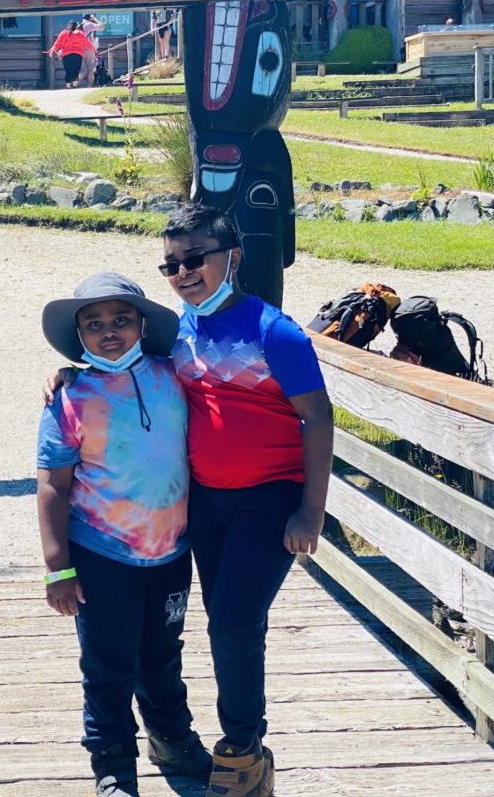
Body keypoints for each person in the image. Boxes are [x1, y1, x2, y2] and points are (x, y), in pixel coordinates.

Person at [160, 204, 332, 797]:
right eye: (171, 265)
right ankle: (230, 740)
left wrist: (312, 509)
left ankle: (243, 750)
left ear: (231, 257)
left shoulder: (273, 331)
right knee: (221, 618)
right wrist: (69, 376)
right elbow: (122, 362)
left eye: (195, 258)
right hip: (207, 499)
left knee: (234, 618)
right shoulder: (176, 329)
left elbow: (318, 417)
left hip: (271, 495)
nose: (184, 272)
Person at [37, 272, 211, 797]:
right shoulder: (69, 398)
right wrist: (58, 567)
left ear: (142, 324)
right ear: (79, 337)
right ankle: (112, 759)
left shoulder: (175, 374)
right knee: (108, 662)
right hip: (101, 554)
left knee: (162, 652)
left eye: (120, 320)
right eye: (94, 325)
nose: (108, 332)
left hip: (170, 550)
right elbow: (51, 488)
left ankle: (172, 737)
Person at [49, 21, 96, 89]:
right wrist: (93, 50)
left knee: (68, 71)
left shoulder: (63, 33)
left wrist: (52, 50)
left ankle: (67, 85)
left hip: (66, 54)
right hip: (77, 54)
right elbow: (86, 43)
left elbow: (57, 42)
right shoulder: (79, 33)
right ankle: (74, 85)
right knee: (76, 70)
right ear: (76, 27)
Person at [80, 13, 105, 86]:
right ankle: (89, 86)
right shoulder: (89, 24)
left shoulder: (80, 25)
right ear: (90, 18)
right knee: (91, 69)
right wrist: (95, 19)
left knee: (83, 71)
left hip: (80, 49)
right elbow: (102, 27)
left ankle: (74, 84)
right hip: (88, 49)